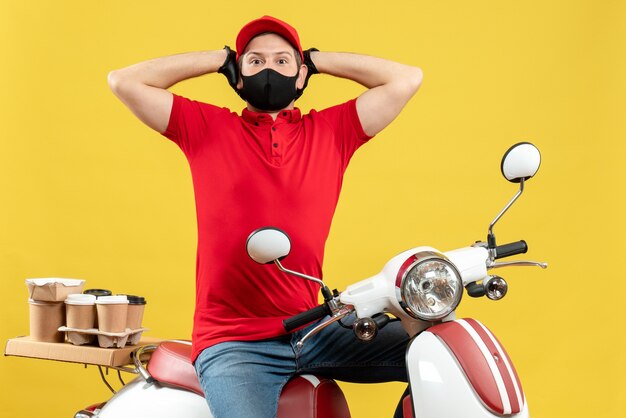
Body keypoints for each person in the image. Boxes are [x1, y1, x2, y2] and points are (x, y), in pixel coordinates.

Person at [108, 15, 423, 418]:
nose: (269, 69)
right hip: (234, 342)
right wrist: (219, 57)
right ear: (237, 77)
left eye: (281, 61)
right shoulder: (206, 127)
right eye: (254, 62)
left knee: (440, 350)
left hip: (314, 329)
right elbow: (124, 81)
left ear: (301, 75)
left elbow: (406, 79)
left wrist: (318, 60)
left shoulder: (332, 130)